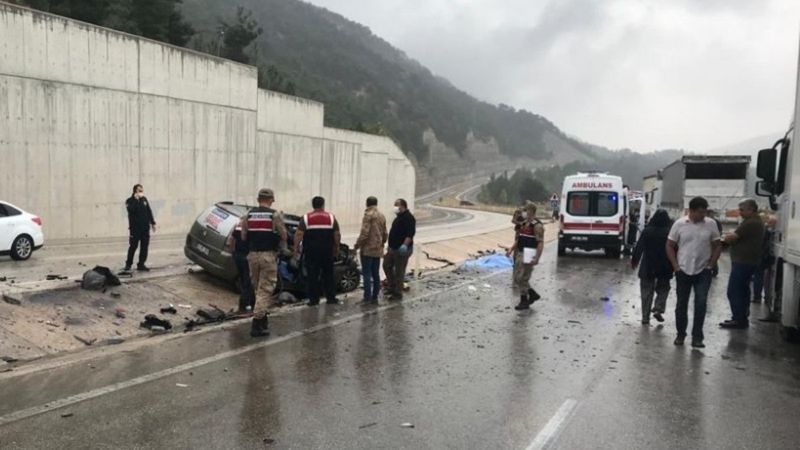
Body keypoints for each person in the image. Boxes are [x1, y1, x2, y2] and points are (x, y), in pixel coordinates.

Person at [666, 196, 722, 348]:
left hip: (703, 270)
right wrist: (676, 266)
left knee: (701, 303)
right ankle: (680, 334)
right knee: (681, 304)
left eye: (704, 212)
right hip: (683, 270)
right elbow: (670, 245)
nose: (702, 215)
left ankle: (697, 337)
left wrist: (711, 264)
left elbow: (718, 245)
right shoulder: (679, 224)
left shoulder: (711, 224)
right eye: (699, 212)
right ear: (691, 211)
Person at [240, 188, 287, 337]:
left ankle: (263, 319)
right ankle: (256, 324)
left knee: (258, 288)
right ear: (271, 199)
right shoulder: (274, 215)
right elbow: (284, 235)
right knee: (265, 290)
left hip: (252, 256)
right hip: (268, 256)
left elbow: (243, 236)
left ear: (258, 199)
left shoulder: (248, 215)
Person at [719, 199, 765, 329]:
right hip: (748, 261)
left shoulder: (750, 223)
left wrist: (726, 238)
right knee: (743, 290)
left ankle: (738, 319)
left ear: (751, 209)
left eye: (742, 209)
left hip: (743, 261)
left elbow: (732, 238)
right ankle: (741, 317)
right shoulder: (755, 222)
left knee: (734, 291)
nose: (740, 212)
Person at [294, 196, 341, 306]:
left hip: (311, 252)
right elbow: (337, 234)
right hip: (327, 251)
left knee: (312, 275)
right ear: (323, 205)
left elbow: (298, 234)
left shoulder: (306, 218)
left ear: (313, 205)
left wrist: (296, 248)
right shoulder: (331, 217)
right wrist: (336, 247)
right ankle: (331, 298)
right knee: (328, 274)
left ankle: (313, 300)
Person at [631, 209, 673, 324]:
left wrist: (634, 260)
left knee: (646, 292)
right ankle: (658, 308)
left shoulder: (647, 231)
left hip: (648, 266)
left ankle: (645, 317)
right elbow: (675, 249)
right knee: (663, 289)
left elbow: (639, 247)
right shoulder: (669, 232)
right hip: (665, 266)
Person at [506, 201, 544, 310]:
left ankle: (525, 300)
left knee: (522, 278)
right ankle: (531, 295)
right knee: (518, 278)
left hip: (529, 254)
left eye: (525, 210)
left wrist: (537, 257)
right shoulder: (524, 224)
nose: (524, 213)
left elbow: (540, 242)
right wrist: (511, 249)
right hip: (520, 252)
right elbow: (519, 238)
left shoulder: (537, 226)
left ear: (531, 211)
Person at [353, 196, 388, 303]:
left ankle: (367, 296)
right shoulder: (382, 215)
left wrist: (357, 245)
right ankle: (375, 296)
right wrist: (382, 243)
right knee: (376, 273)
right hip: (378, 249)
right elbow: (385, 233)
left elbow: (364, 233)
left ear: (367, 204)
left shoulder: (368, 215)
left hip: (367, 249)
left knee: (367, 273)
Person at [384, 198, 416, 300]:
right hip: (392, 248)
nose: (395, 207)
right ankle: (392, 286)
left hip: (401, 249)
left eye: (396, 205)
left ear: (403, 206)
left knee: (399, 271)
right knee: (386, 265)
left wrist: (405, 245)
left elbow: (410, 234)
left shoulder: (409, 218)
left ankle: (397, 292)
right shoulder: (398, 217)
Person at [125, 184, 156, 272]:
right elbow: (131, 210)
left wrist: (152, 223)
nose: (141, 192)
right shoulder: (129, 201)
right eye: (139, 190)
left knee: (144, 246)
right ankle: (128, 264)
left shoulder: (144, 199)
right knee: (133, 246)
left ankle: (141, 264)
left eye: (142, 191)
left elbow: (149, 211)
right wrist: (136, 199)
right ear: (135, 191)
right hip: (135, 229)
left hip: (145, 228)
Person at [226, 221, 254, 313]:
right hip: (246, 257)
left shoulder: (238, 226)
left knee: (243, 279)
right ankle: (246, 304)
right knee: (247, 280)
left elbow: (231, 241)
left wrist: (232, 253)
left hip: (237, 256)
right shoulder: (251, 228)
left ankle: (245, 302)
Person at [752, 215, 776, 304]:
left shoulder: (763, 231)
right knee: (762, 277)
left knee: (759, 277)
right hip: (765, 257)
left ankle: (758, 296)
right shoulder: (769, 231)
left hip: (761, 257)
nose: (769, 223)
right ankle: (763, 297)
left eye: (770, 222)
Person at [707, 210, 723, 277]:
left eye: (712, 214)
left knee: (713, 255)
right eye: (710, 214)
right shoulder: (707, 222)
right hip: (708, 241)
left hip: (714, 242)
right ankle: (712, 270)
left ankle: (714, 270)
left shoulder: (716, 222)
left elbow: (720, 231)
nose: (711, 215)